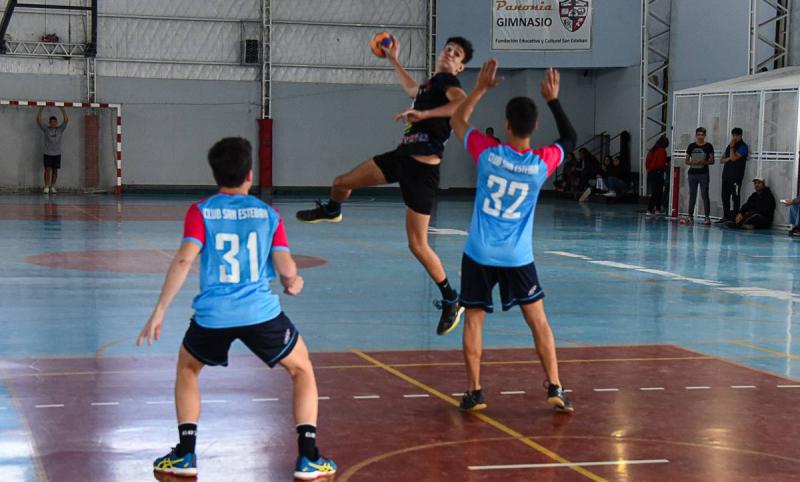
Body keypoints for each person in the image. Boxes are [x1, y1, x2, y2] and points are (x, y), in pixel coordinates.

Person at [136, 138, 336, 480]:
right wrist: (293, 282)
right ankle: (308, 457)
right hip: (261, 313)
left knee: (188, 367)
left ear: (216, 174)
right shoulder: (268, 214)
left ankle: (186, 453)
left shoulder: (200, 211)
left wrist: (159, 310)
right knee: (301, 368)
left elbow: (185, 259)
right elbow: (286, 268)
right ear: (250, 173)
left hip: (214, 315)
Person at [295, 36, 474, 336]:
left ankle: (452, 299)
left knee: (417, 245)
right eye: (448, 49)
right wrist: (392, 58)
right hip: (401, 158)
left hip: (422, 171)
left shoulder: (447, 83)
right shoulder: (431, 86)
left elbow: (461, 104)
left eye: (456, 54)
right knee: (340, 183)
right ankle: (332, 209)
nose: (449, 54)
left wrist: (425, 115)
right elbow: (411, 88)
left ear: (461, 65)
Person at [450, 61, 576, 413]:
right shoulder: (541, 163)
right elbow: (570, 138)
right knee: (538, 321)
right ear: (534, 127)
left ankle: (475, 392)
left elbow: (457, 122)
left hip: (478, 253)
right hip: (517, 257)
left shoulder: (487, 153)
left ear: (506, 125)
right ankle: (555, 386)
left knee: (475, 320)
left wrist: (478, 89)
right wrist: (553, 100)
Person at [717, 127, 749, 224]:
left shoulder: (743, 147)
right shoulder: (729, 146)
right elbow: (722, 159)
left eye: (737, 135)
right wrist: (729, 157)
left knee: (735, 196)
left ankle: (735, 217)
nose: (735, 137)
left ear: (740, 135)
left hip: (736, 176)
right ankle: (726, 216)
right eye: (733, 135)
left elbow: (734, 158)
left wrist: (731, 148)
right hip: (726, 175)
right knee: (724, 196)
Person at [683, 127, 715, 225]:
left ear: (705, 135)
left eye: (702, 135)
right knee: (692, 194)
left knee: (704, 194)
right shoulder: (691, 146)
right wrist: (692, 162)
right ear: (696, 135)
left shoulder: (708, 146)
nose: (700, 136)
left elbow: (712, 160)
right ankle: (690, 216)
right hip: (692, 173)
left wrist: (703, 162)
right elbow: (686, 160)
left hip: (703, 173)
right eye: (698, 134)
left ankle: (706, 216)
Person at [37, 106, 68, 194]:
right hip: (48, 153)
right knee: (47, 170)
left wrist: (62, 109)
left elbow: (66, 120)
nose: (53, 123)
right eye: (52, 122)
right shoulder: (46, 129)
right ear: (49, 123)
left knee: (55, 170)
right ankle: (46, 186)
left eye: (55, 122)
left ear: (57, 123)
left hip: (57, 154)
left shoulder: (60, 129)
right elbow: (38, 120)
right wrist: (41, 108)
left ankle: (53, 186)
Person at [645, 135, 669, 214]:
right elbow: (660, 163)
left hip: (651, 173)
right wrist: (666, 165)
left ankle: (655, 209)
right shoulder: (661, 150)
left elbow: (648, 163)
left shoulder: (652, 150)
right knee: (658, 192)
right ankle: (651, 209)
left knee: (655, 192)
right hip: (658, 173)